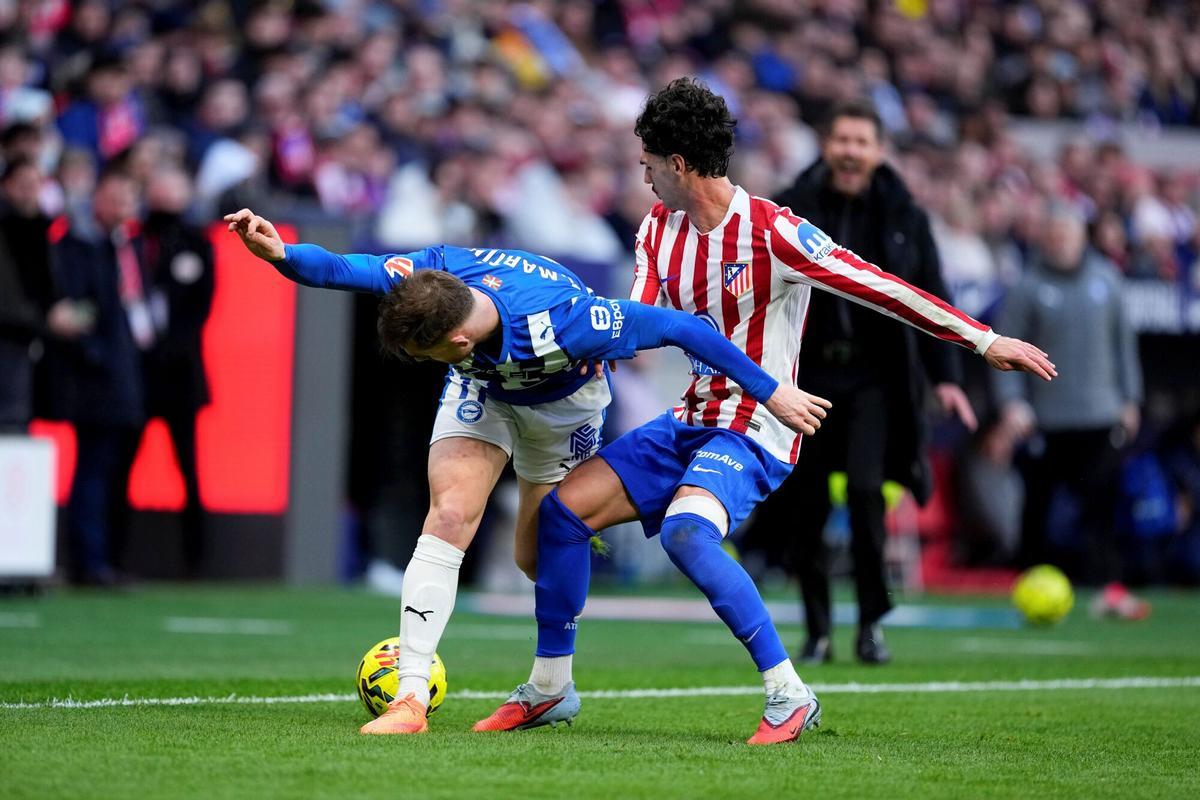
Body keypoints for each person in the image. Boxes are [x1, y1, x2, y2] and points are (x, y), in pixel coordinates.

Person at [475, 78, 1055, 744]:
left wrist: (983, 340)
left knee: (688, 533)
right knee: (562, 514)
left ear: (680, 165)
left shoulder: (775, 232)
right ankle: (551, 687)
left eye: (649, 163)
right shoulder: (658, 229)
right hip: (689, 418)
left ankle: (789, 694)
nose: (643, 175)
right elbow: (635, 320)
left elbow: (881, 287)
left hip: (759, 424)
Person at [223, 207, 832, 736]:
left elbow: (680, 327)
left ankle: (551, 685)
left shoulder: (572, 321)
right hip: (483, 394)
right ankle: (410, 697)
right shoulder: (435, 274)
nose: (417, 361)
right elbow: (345, 270)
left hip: (564, 410)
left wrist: (770, 389)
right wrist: (281, 254)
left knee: (540, 554)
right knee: (451, 513)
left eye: (424, 354)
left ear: (459, 340)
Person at [749, 99, 978, 665]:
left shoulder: (906, 215)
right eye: (841, 140)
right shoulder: (789, 209)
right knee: (803, 503)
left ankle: (872, 623)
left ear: (878, 151)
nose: (850, 151)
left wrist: (946, 378)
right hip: (807, 375)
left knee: (868, 491)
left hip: (878, 378)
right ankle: (817, 628)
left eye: (861, 141)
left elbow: (929, 295)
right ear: (827, 146)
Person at [994, 203, 1148, 620]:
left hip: (1101, 417)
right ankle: (1027, 589)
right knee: (1036, 509)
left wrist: (1130, 400)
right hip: (1044, 420)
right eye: (1054, 233)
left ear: (1082, 237)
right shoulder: (1027, 286)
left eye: (1068, 233)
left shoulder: (1107, 280)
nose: (1060, 240)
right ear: (1044, 237)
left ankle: (1109, 592)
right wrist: (1012, 403)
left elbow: (1124, 346)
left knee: (1102, 509)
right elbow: (1003, 346)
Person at [54, 168, 150, 585]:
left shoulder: (125, 244)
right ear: (98, 200)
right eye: (117, 198)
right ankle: (88, 561)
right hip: (96, 379)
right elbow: (77, 311)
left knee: (111, 469)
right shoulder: (79, 246)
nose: (124, 206)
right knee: (93, 469)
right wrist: (97, 356)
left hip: (125, 373)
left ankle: (105, 558)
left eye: (129, 198)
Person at [141, 167, 214, 577]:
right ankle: (107, 555)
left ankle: (196, 561)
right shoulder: (137, 239)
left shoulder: (194, 243)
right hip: (137, 374)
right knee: (118, 464)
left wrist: (169, 348)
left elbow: (200, 308)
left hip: (181, 374)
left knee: (189, 467)